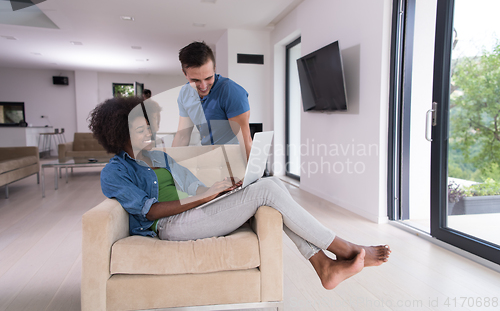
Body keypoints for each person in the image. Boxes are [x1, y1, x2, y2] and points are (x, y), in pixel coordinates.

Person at [89, 97, 391, 290]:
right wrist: (205, 197)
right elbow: (151, 211)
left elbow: (194, 187)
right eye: (142, 130)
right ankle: (344, 249)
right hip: (169, 228)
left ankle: (324, 266)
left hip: (193, 214)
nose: (151, 135)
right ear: (121, 134)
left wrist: (222, 187)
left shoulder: (161, 158)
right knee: (270, 189)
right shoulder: (115, 172)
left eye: (150, 128)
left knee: (268, 188)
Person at [172, 42, 253, 158]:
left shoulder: (231, 92)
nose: (203, 86)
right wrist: (170, 165)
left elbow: (245, 141)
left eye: (208, 78)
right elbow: (182, 136)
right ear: (184, 73)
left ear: (214, 68)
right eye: (196, 80)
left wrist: (250, 175)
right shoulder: (185, 94)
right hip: (208, 160)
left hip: (234, 162)